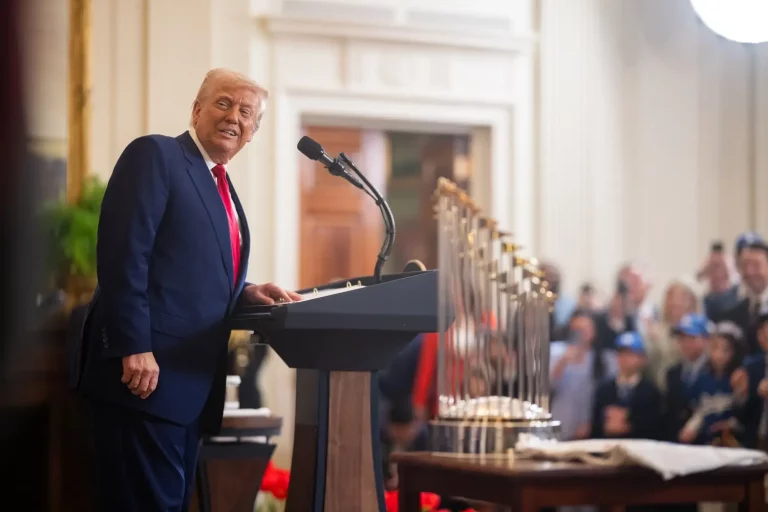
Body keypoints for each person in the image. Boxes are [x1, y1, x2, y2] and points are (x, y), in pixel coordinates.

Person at [73, 68, 302, 511]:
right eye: (223, 103)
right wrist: (133, 345)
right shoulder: (157, 155)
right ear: (197, 110)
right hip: (142, 378)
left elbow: (187, 274)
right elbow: (125, 255)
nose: (234, 116)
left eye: (246, 112)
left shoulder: (223, 188)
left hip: (189, 390)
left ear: (253, 131)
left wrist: (246, 293)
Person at [590, 331, 662, 440]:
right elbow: (595, 424)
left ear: (642, 359)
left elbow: (655, 426)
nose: (625, 359)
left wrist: (628, 420)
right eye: (621, 354)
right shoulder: (604, 389)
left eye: (631, 354)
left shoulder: (650, 391)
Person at [664, 313, 710, 444]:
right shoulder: (673, 373)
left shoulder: (714, 371)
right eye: (681, 338)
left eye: (691, 338)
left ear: (706, 339)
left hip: (705, 443)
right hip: (676, 443)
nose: (685, 343)